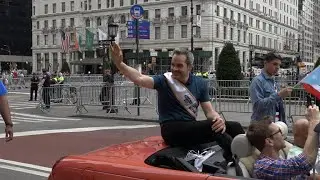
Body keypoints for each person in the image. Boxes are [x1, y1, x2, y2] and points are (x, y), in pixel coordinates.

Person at [110, 44, 245, 163]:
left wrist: (217, 119)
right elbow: (139, 78)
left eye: (179, 65)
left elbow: (209, 112)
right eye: (173, 64)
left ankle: (252, 154)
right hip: (172, 130)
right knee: (214, 128)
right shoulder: (164, 81)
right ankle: (237, 161)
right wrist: (120, 64)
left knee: (234, 126)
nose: (174, 68)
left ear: (190, 67)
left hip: (190, 127)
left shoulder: (200, 83)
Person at [246, 105, 320, 179]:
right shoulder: (263, 166)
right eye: (279, 131)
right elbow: (303, 163)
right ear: (269, 141)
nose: (283, 134)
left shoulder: (278, 159)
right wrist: (314, 122)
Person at [249, 53, 292, 123]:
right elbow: (257, 106)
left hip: (275, 123)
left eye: (279, 65)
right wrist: (279, 95)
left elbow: (278, 106)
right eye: (275, 64)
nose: (278, 67)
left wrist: (284, 122)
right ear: (265, 63)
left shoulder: (274, 81)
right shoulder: (257, 81)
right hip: (262, 125)